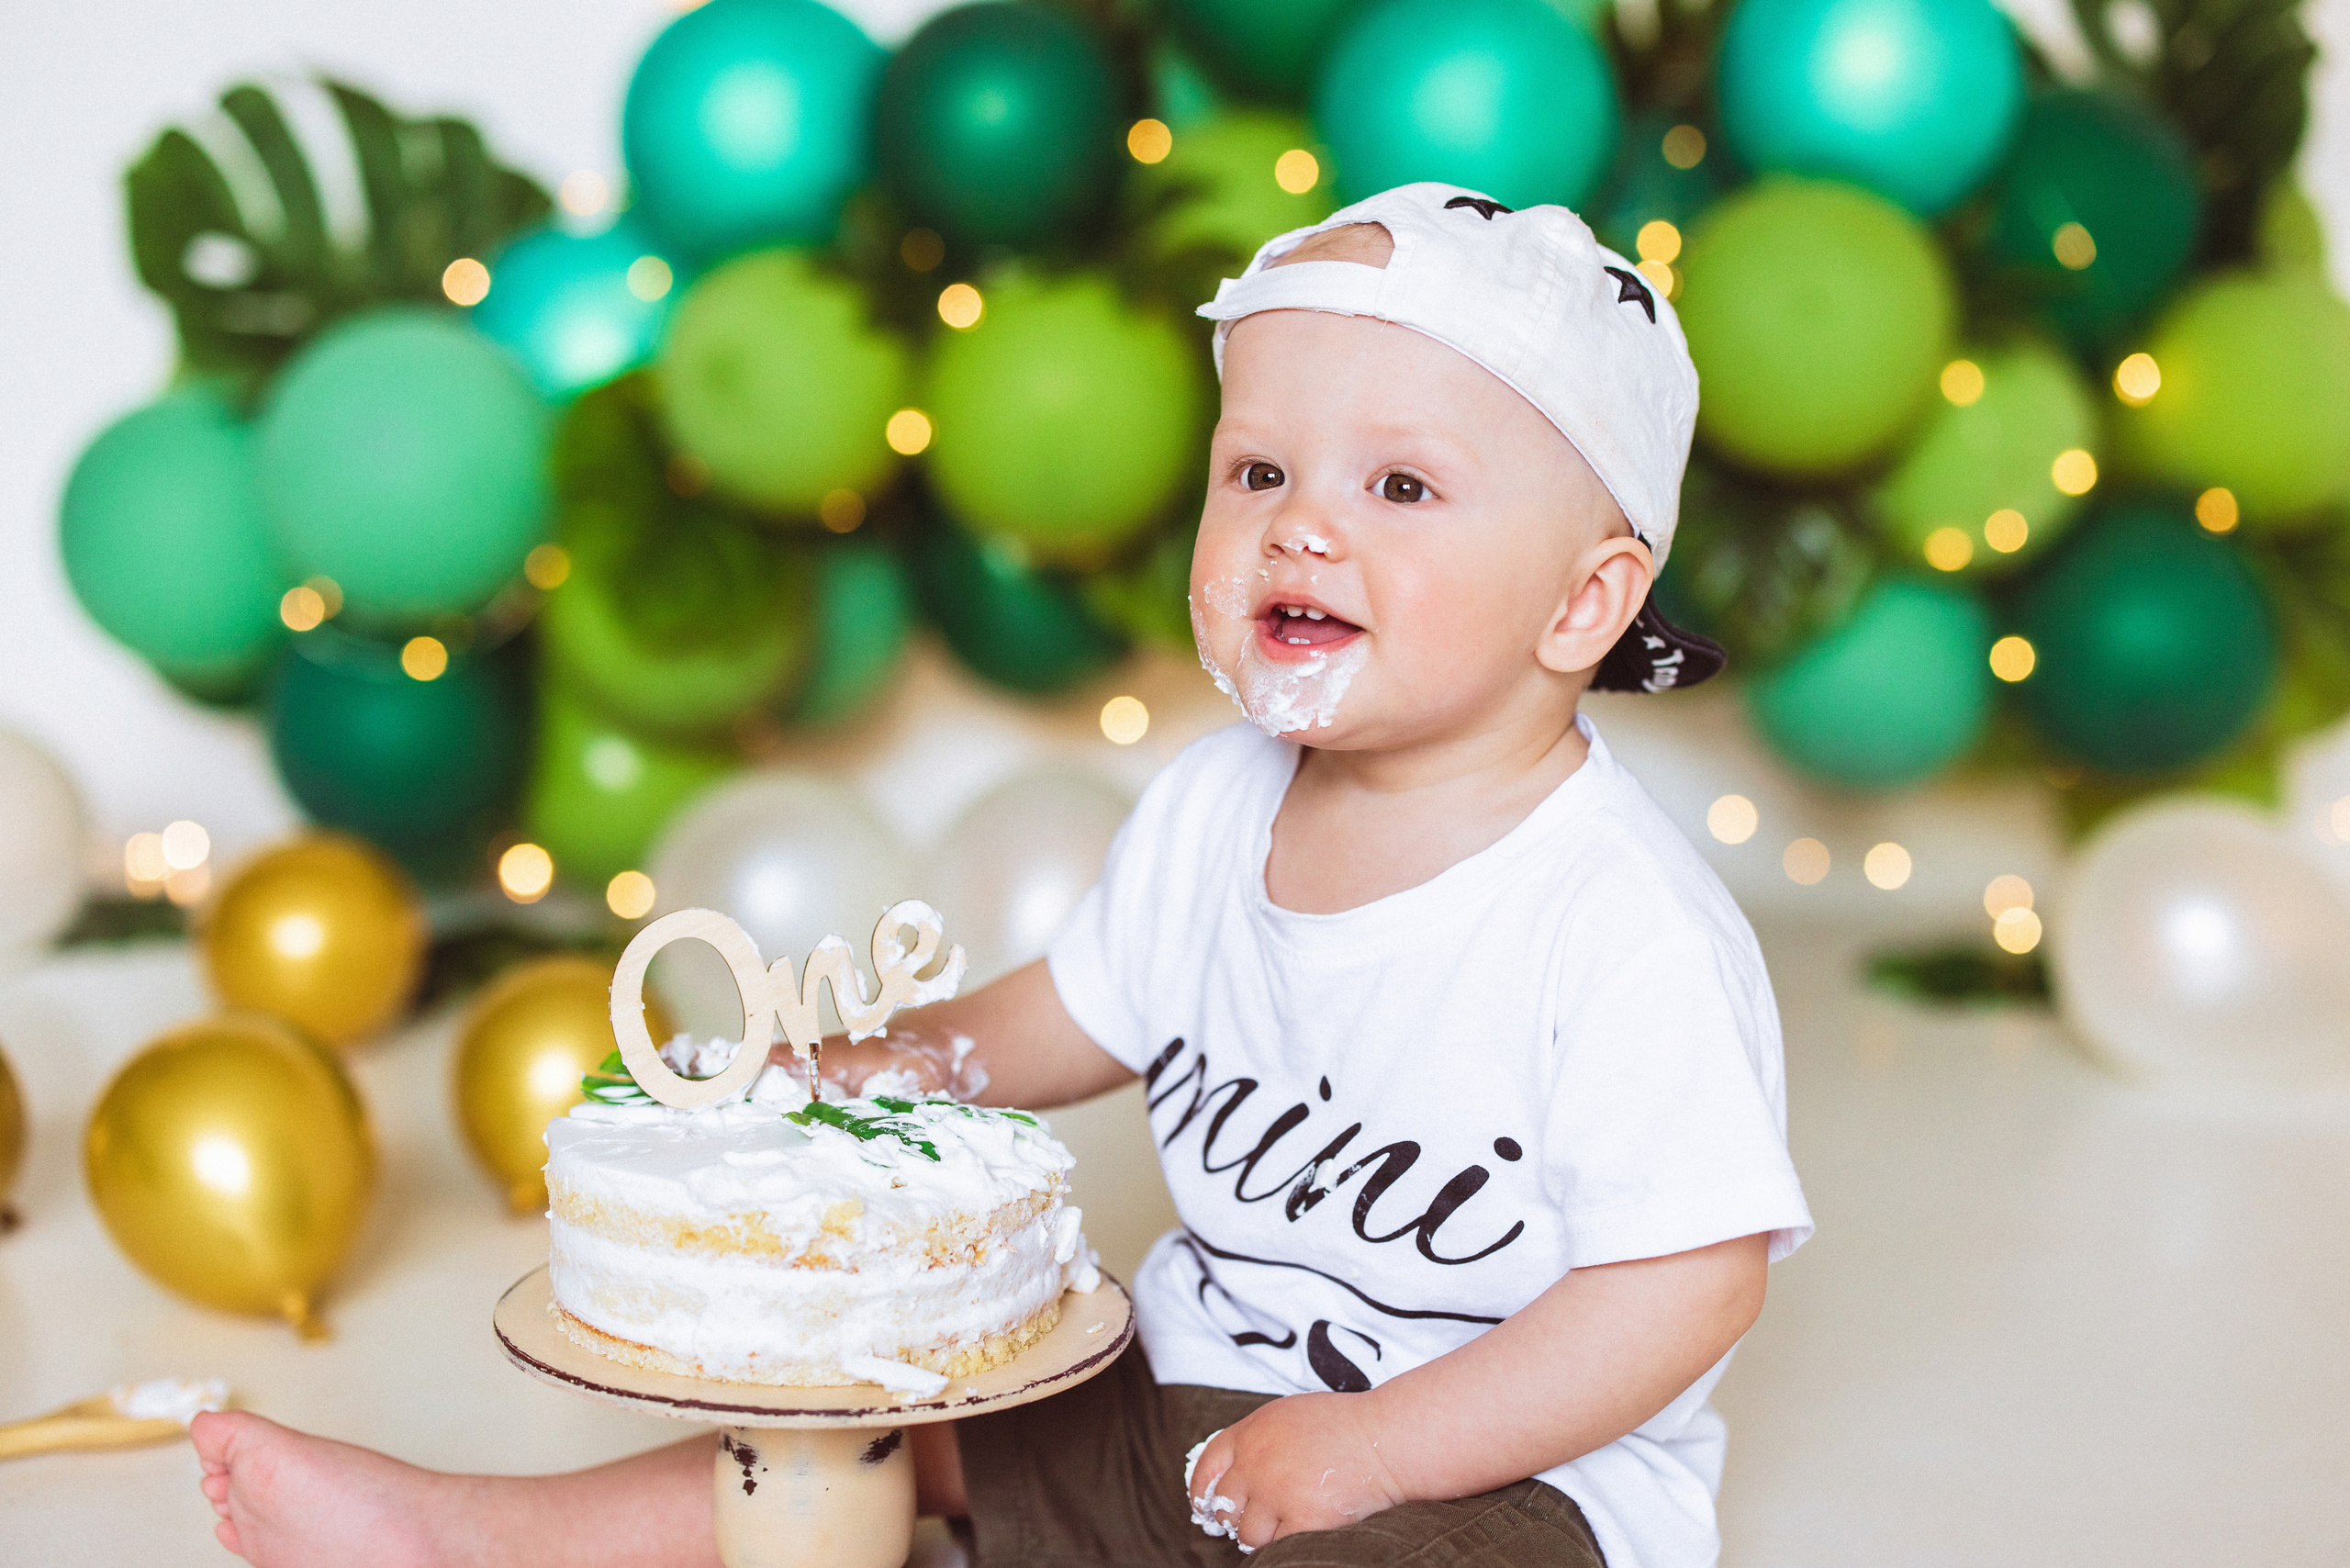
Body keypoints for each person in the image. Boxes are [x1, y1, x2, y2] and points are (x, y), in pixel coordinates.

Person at [192, 182, 1811, 1568]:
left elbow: (1678, 1294)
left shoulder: (1618, 927)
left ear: (1587, 606)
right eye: (1259, 473)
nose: (1301, 529)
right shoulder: (1214, 806)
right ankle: (491, 1536)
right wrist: (892, 1066)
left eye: (1398, 488)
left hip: (1500, 1484)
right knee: (892, 1426)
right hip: (1184, 1395)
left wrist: (1376, 1451)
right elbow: (1075, 1012)